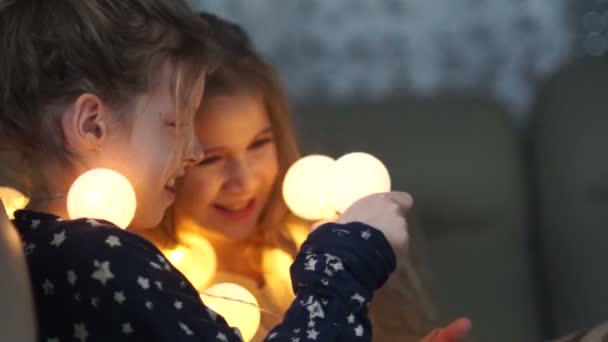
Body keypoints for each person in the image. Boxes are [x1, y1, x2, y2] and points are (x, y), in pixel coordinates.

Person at [0, 0, 414, 341]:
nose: (193, 151)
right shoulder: (104, 260)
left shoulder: (33, 247)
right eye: (176, 123)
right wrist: (346, 259)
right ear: (92, 124)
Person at [144, 12, 441, 342]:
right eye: (212, 159)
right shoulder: (158, 288)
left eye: (259, 144)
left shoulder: (326, 250)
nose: (243, 181)